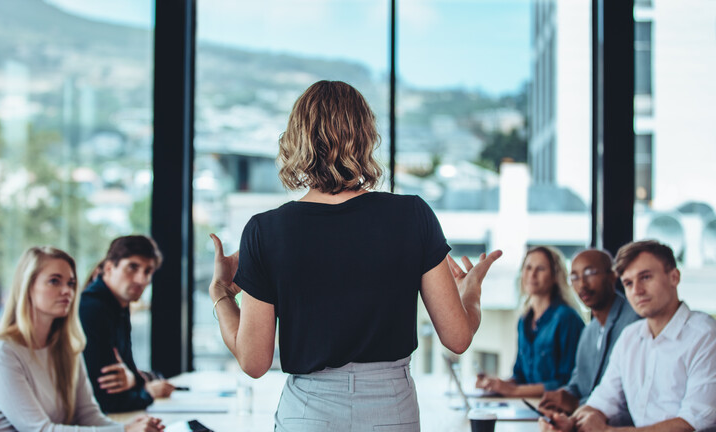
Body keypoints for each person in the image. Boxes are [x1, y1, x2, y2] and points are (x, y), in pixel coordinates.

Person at [208, 80, 502, 431]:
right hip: (391, 409)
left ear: (296, 139)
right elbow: (457, 338)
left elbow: (254, 361)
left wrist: (221, 293)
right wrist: (471, 290)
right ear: (365, 136)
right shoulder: (413, 215)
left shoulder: (265, 230)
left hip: (308, 413)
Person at [0, 246, 163, 432]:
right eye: (54, 281)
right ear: (28, 286)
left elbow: (89, 416)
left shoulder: (67, 348)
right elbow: (40, 430)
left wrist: (132, 427)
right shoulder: (1, 352)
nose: (67, 291)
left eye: (71, 283)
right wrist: (124, 431)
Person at [540, 240, 716, 431]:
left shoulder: (705, 335)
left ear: (674, 277)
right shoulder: (630, 336)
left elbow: (693, 422)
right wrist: (571, 423)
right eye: (628, 283)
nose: (637, 290)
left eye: (646, 277)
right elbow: (602, 400)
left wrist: (610, 431)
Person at [538, 249, 639, 419]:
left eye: (590, 273)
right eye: (575, 277)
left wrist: (578, 405)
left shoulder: (634, 322)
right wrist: (562, 397)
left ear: (613, 275)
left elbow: (631, 400)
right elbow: (577, 384)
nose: (582, 284)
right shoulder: (589, 331)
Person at [80, 235, 175, 413]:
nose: (141, 280)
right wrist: (148, 392)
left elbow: (129, 371)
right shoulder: (92, 309)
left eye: (148, 271)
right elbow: (107, 398)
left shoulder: (118, 306)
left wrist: (134, 379)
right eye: (132, 267)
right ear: (109, 268)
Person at [477, 246, 585, 398]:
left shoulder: (567, 318)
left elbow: (567, 382)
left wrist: (514, 391)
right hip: (526, 405)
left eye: (540, 269)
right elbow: (519, 376)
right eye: (528, 268)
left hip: (554, 410)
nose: (532, 275)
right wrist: (496, 384)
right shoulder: (524, 320)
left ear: (555, 276)